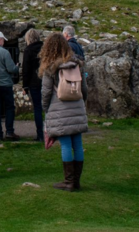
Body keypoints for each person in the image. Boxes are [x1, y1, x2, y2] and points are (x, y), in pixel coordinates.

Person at [40, 33, 88, 191]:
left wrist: (46, 108)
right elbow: (84, 88)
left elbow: (46, 92)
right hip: (77, 105)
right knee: (78, 144)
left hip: (59, 107)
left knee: (66, 145)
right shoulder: (76, 64)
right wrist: (81, 102)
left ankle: (68, 182)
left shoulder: (50, 67)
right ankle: (77, 181)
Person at [0, 31, 20, 141]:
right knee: (9, 108)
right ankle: (9, 132)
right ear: (0, 40)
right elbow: (11, 69)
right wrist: (16, 67)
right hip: (5, 84)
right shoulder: (5, 52)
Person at [21, 29, 45, 141]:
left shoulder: (28, 50)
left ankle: (40, 134)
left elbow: (26, 69)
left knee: (37, 108)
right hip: (46, 80)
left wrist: (25, 86)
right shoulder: (45, 48)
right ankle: (51, 132)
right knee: (49, 107)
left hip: (34, 82)